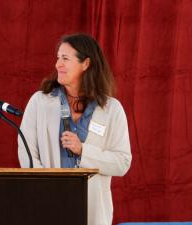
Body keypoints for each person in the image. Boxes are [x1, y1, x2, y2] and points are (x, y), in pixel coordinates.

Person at [18, 34, 132, 225]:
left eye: (65, 58)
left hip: (93, 213)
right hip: (48, 206)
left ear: (86, 64)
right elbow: (27, 153)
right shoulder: (39, 101)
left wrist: (83, 151)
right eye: (57, 58)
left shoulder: (112, 109)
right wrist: (46, 189)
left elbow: (122, 162)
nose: (57, 65)